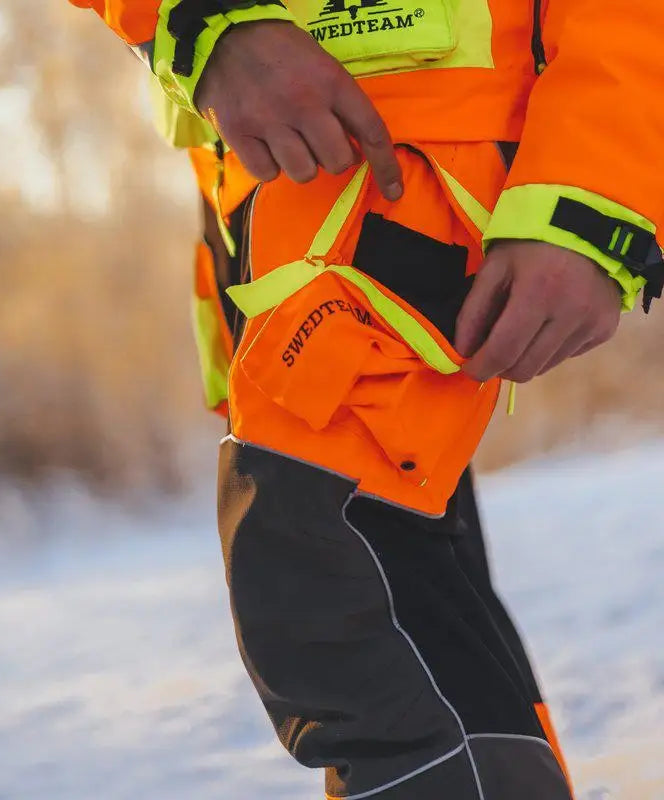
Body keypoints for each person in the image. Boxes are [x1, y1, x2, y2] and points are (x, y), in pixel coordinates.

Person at [70, 1, 664, 797]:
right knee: (421, 628)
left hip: (415, 156)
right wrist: (206, 25)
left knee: (343, 603)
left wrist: (594, 190)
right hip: (259, 171)